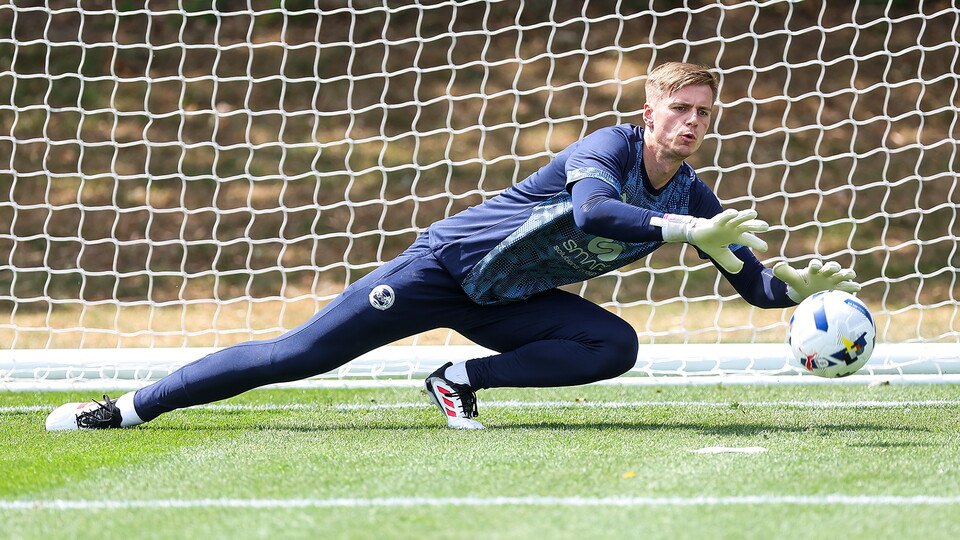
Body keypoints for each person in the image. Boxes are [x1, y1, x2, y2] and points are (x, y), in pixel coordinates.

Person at [46, 62, 859, 431]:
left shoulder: (695, 197)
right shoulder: (605, 151)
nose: (690, 122)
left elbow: (751, 288)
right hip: (445, 271)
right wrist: (687, 233)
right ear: (648, 114)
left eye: (703, 112)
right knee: (297, 355)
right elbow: (591, 216)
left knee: (612, 344)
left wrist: (798, 291)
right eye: (679, 108)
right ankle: (127, 409)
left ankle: (457, 378)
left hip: (506, 305)